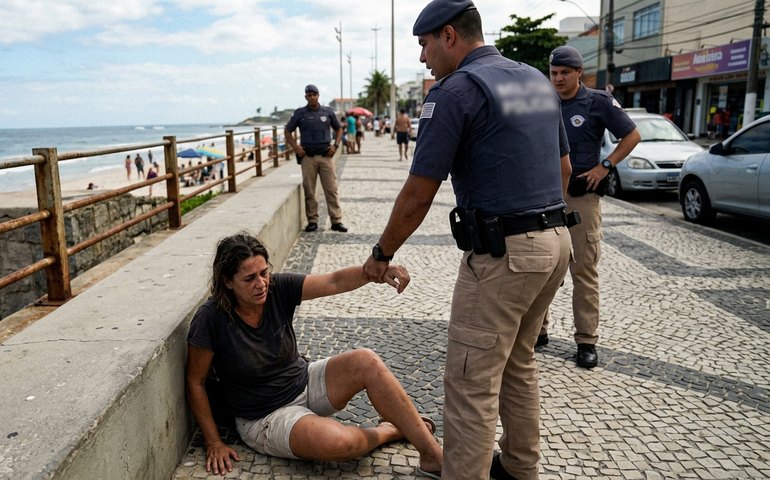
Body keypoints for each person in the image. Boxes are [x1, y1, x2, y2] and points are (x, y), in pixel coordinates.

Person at [362, 2, 573, 478]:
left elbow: (418, 193)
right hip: (556, 243)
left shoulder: (455, 92)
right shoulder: (535, 81)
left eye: (424, 44)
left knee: (470, 382)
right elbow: (563, 169)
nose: (422, 58)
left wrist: (382, 253)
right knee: (518, 363)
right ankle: (520, 469)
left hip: (504, 256)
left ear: (449, 35)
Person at [186, 232, 443, 477]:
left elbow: (333, 281)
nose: (261, 284)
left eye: (264, 273)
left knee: (366, 360)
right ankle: (388, 431)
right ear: (227, 281)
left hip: (304, 381)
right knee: (340, 443)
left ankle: (433, 456)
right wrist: (213, 442)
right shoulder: (211, 319)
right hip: (266, 417)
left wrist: (376, 271)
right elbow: (195, 382)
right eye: (249, 278)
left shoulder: (278, 288)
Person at [545, 45, 641, 370]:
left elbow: (632, 135)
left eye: (564, 73)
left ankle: (586, 341)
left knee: (583, 270)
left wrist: (606, 166)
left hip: (580, 197)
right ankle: (537, 331)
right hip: (544, 196)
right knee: (542, 266)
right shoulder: (541, 99)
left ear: (578, 73)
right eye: (553, 73)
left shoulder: (597, 101)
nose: (557, 79)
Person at [285, 85, 347, 233]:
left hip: (326, 156)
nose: (312, 97)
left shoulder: (327, 112)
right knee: (310, 191)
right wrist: (295, 147)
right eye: (309, 95)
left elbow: (338, 128)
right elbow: (288, 131)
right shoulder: (300, 113)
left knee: (331, 189)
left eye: (314, 94)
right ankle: (312, 221)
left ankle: (336, 221)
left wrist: (335, 146)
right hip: (308, 157)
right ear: (306, 97)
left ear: (318, 95)